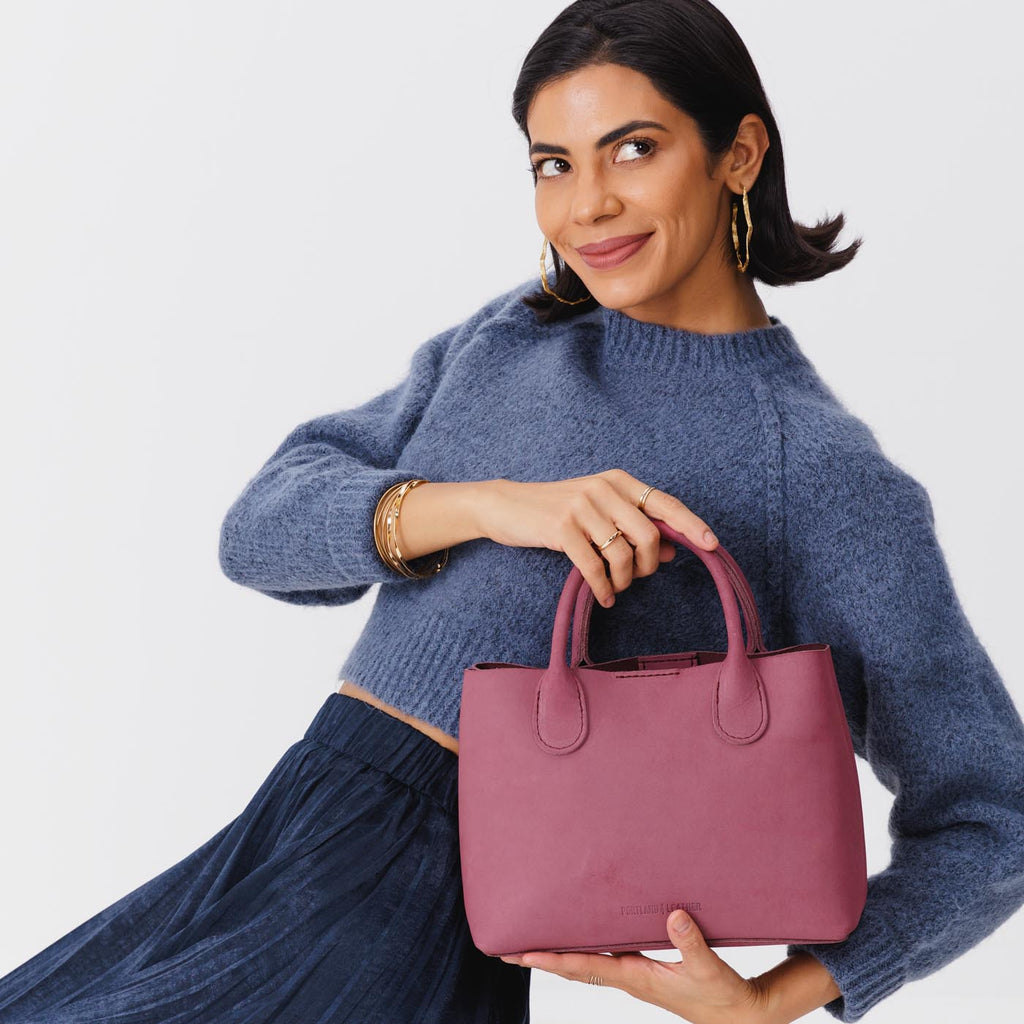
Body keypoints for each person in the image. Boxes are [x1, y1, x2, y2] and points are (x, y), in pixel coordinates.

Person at [2, 0, 1023, 1021]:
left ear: (739, 154)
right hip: (271, 846)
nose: (588, 205)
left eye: (633, 149)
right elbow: (257, 534)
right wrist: (492, 506)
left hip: (394, 936)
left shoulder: (817, 469)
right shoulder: (515, 337)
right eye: (553, 164)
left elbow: (995, 814)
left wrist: (779, 997)